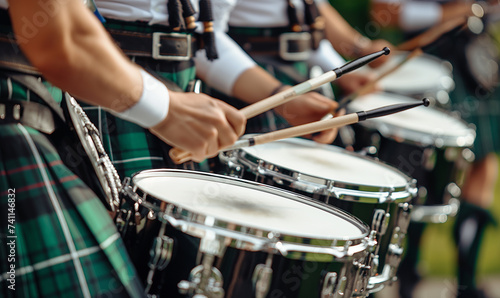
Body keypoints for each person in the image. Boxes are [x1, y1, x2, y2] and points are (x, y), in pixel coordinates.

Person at [0, 0, 247, 296]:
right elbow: (59, 36)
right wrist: (165, 109)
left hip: (118, 88)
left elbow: (205, 37)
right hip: (90, 85)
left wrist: (280, 95)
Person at [370, 1, 500, 297]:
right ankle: (408, 275)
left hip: (476, 66)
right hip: (428, 65)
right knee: (424, 177)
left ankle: (467, 283)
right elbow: (383, 12)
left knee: (483, 169)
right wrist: (454, 12)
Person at [192, 0, 395, 144]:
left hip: (291, 75)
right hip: (245, 78)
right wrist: (280, 96)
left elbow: (308, 21)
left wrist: (340, 68)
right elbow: (205, 39)